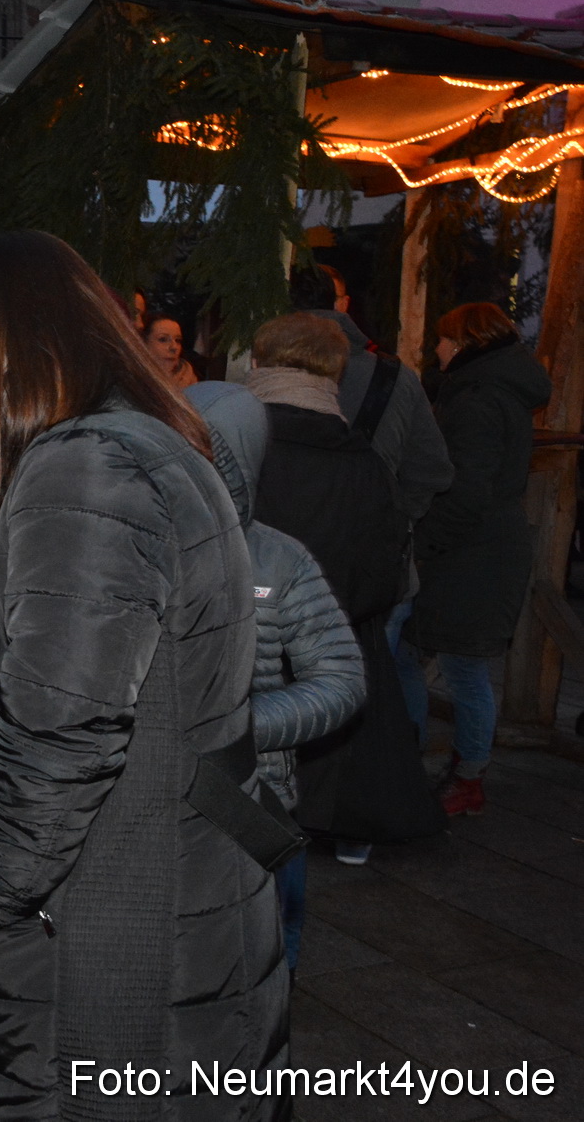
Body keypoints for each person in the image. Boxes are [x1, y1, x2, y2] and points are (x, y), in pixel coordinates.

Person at [0, 232, 285, 1120]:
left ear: (15, 344)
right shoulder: (148, 441)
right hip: (177, 876)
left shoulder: (84, 470)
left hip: (116, 917)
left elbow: (62, 737)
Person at [246, 314, 442, 865]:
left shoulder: (234, 445)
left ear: (257, 364)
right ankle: (345, 834)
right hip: (336, 630)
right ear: (335, 374)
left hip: (247, 631)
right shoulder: (365, 464)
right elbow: (384, 563)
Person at [189, 382, 367, 971]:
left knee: (271, 940)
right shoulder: (134, 546)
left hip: (254, 793)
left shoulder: (279, 559)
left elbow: (340, 677)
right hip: (155, 798)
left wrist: (240, 724)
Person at [403, 303, 552, 817]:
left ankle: (464, 774)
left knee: (461, 668)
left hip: (472, 553)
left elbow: (466, 491)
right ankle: (434, 765)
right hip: (479, 548)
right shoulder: (495, 390)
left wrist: (423, 547)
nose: (437, 349)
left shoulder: (477, 400)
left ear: (465, 342)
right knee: (427, 656)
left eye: (443, 340)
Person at [290, 264, 453, 521]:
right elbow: (431, 468)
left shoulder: (260, 370)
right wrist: (399, 520)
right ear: (338, 305)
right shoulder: (393, 377)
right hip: (366, 529)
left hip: (278, 530)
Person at [144, 311, 200, 388]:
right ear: (144, 343)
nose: (174, 347)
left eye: (178, 340)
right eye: (163, 339)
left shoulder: (192, 383)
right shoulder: (132, 381)